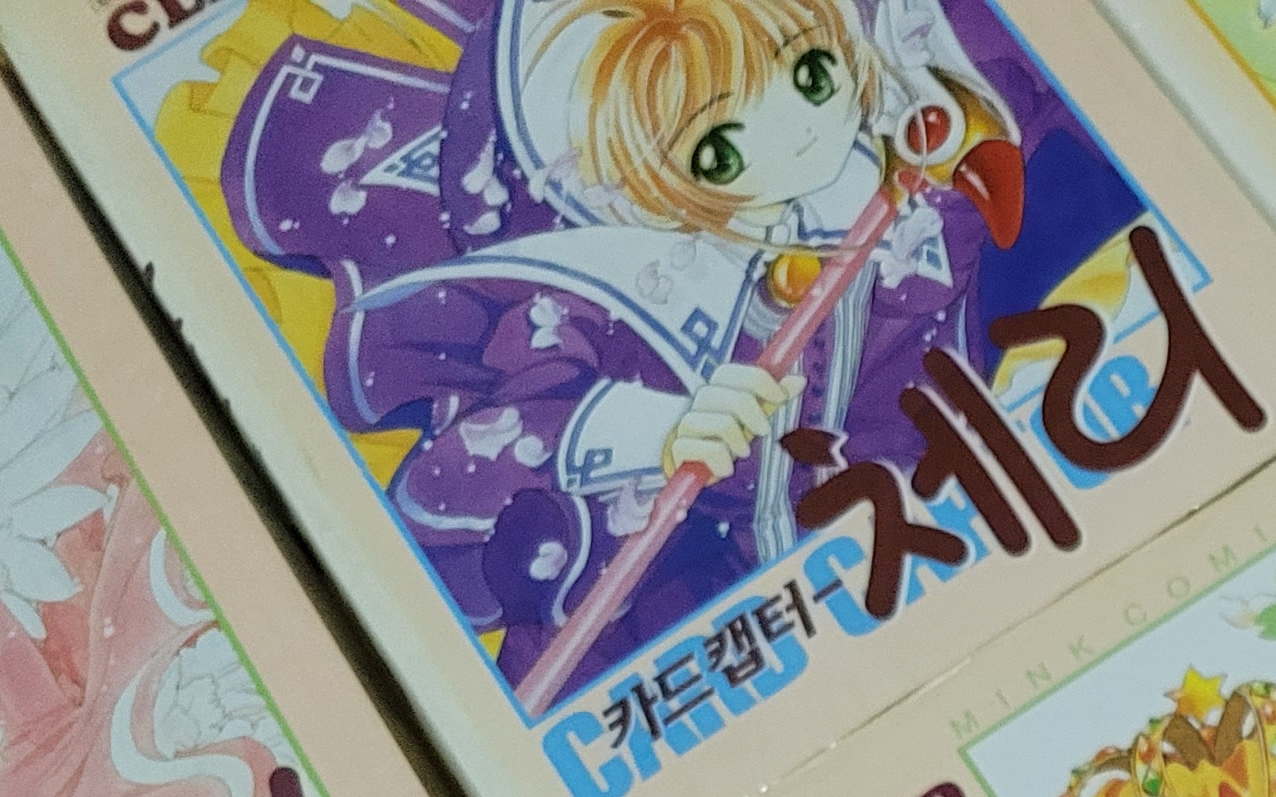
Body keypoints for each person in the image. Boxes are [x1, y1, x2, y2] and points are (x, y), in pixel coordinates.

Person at [215, 0, 1129, 698]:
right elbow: (461, 481)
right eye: (718, 150)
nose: (802, 133)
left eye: (812, 75)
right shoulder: (601, 295)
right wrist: (655, 430)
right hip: (715, 627)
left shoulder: (913, 174)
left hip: (954, 536)